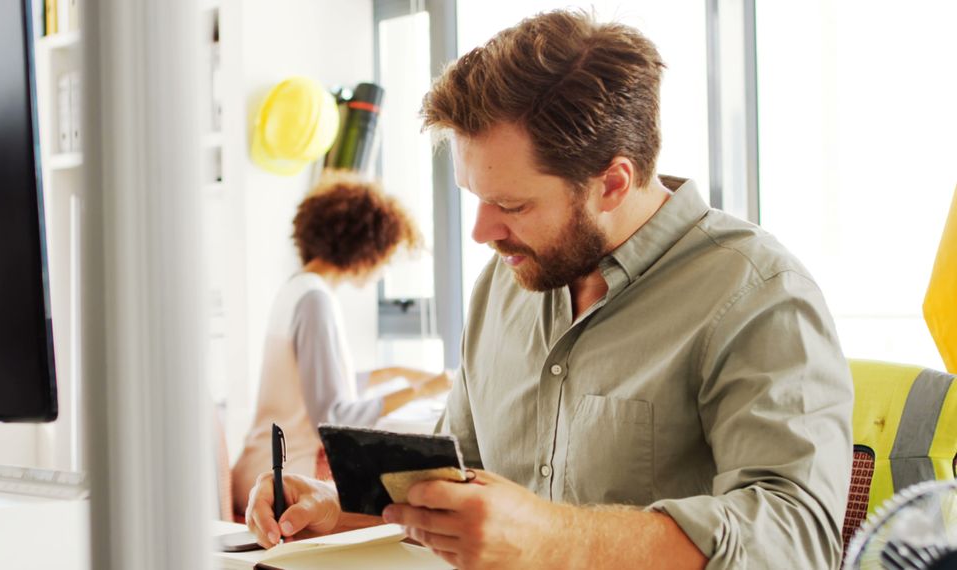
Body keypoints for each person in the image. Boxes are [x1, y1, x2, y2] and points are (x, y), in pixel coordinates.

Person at [245, 10, 854, 569]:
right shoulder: (505, 284)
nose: (483, 232)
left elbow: (796, 538)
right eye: (476, 199)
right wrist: (330, 506)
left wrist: (556, 538)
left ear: (613, 183)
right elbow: (463, 477)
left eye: (511, 204)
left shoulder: (758, 293)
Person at [231, 173, 451, 515]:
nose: (384, 272)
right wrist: (424, 390)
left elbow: (319, 386)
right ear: (368, 248)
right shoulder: (316, 301)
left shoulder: (298, 289)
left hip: (259, 466)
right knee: (412, 509)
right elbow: (333, 416)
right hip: (286, 478)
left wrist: (395, 372)